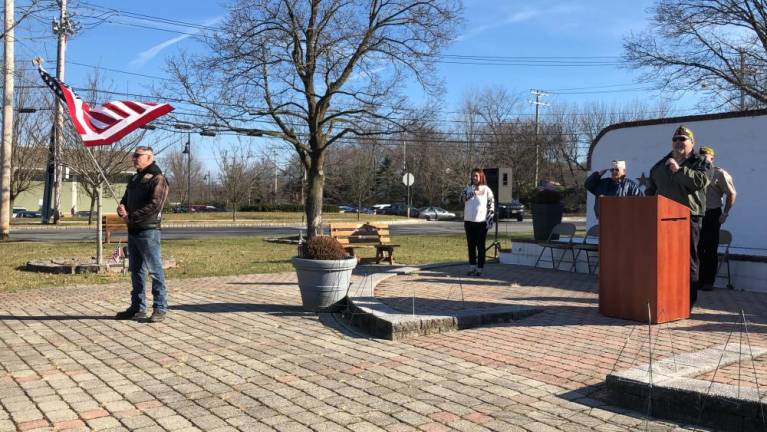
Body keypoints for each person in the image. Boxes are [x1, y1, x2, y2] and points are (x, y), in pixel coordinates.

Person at [645, 126, 711, 308]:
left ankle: (687, 302)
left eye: (683, 139)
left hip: (688, 218)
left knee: (688, 261)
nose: (678, 142)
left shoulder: (701, 162)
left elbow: (700, 182)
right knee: (664, 260)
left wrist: (679, 170)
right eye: (675, 139)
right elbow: (651, 188)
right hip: (662, 219)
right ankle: (667, 297)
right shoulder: (661, 165)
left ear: (692, 142)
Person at [115, 146, 171, 322]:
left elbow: (155, 205)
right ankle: (137, 308)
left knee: (155, 270)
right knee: (136, 271)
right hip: (133, 230)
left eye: (138, 156)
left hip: (148, 230)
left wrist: (131, 216)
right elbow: (125, 199)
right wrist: (122, 207)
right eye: (133, 156)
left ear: (149, 157)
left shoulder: (157, 178)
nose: (134, 159)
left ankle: (160, 308)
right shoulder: (134, 178)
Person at [697, 146, 736, 291]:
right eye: (700, 157)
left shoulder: (719, 173)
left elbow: (732, 194)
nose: (702, 160)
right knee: (697, 249)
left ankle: (708, 281)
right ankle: (697, 280)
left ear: (712, 159)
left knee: (710, 249)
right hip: (697, 214)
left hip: (713, 214)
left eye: (705, 157)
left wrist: (725, 213)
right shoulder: (694, 172)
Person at [461, 168, 495, 277]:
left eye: (476, 175)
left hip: (481, 223)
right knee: (471, 246)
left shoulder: (486, 190)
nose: (474, 178)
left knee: (480, 246)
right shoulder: (467, 188)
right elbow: (461, 199)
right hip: (469, 222)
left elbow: (491, 206)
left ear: (481, 176)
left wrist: (489, 221)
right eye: (473, 176)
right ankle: (472, 267)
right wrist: (472, 193)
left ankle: (480, 268)